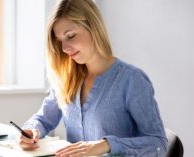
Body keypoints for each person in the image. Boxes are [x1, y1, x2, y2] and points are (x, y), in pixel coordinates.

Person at [19, 0, 168, 156]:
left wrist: (107, 145)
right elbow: (43, 119)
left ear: (93, 27)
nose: (64, 48)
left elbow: (158, 144)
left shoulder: (132, 80)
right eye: (60, 42)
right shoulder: (66, 79)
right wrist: (32, 130)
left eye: (70, 36)